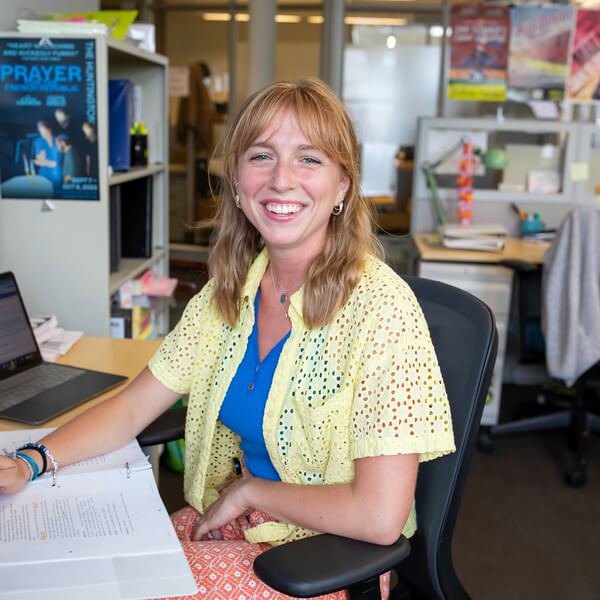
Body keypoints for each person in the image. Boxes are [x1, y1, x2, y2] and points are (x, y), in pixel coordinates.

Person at [0, 78, 455, 600]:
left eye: (309, 160)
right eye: (261, 156)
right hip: (235, 517)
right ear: (237, 183)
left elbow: (378, 518)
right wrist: (31, 462)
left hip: (323, 557)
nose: (282, 180)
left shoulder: (382, 310)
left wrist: (251, 492)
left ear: (343, 187)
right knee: (65, 574)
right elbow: (130, 409)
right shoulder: (231, 290)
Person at [31, 120, 62, 194]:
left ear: (50, 129)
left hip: (59, 175)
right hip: (44, 175)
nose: (42, 132)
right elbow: (40, 162)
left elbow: (63, 159)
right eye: (40, 130)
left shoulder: (58, 139)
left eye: (43, 130)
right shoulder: (38, 142)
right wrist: (50, 163)